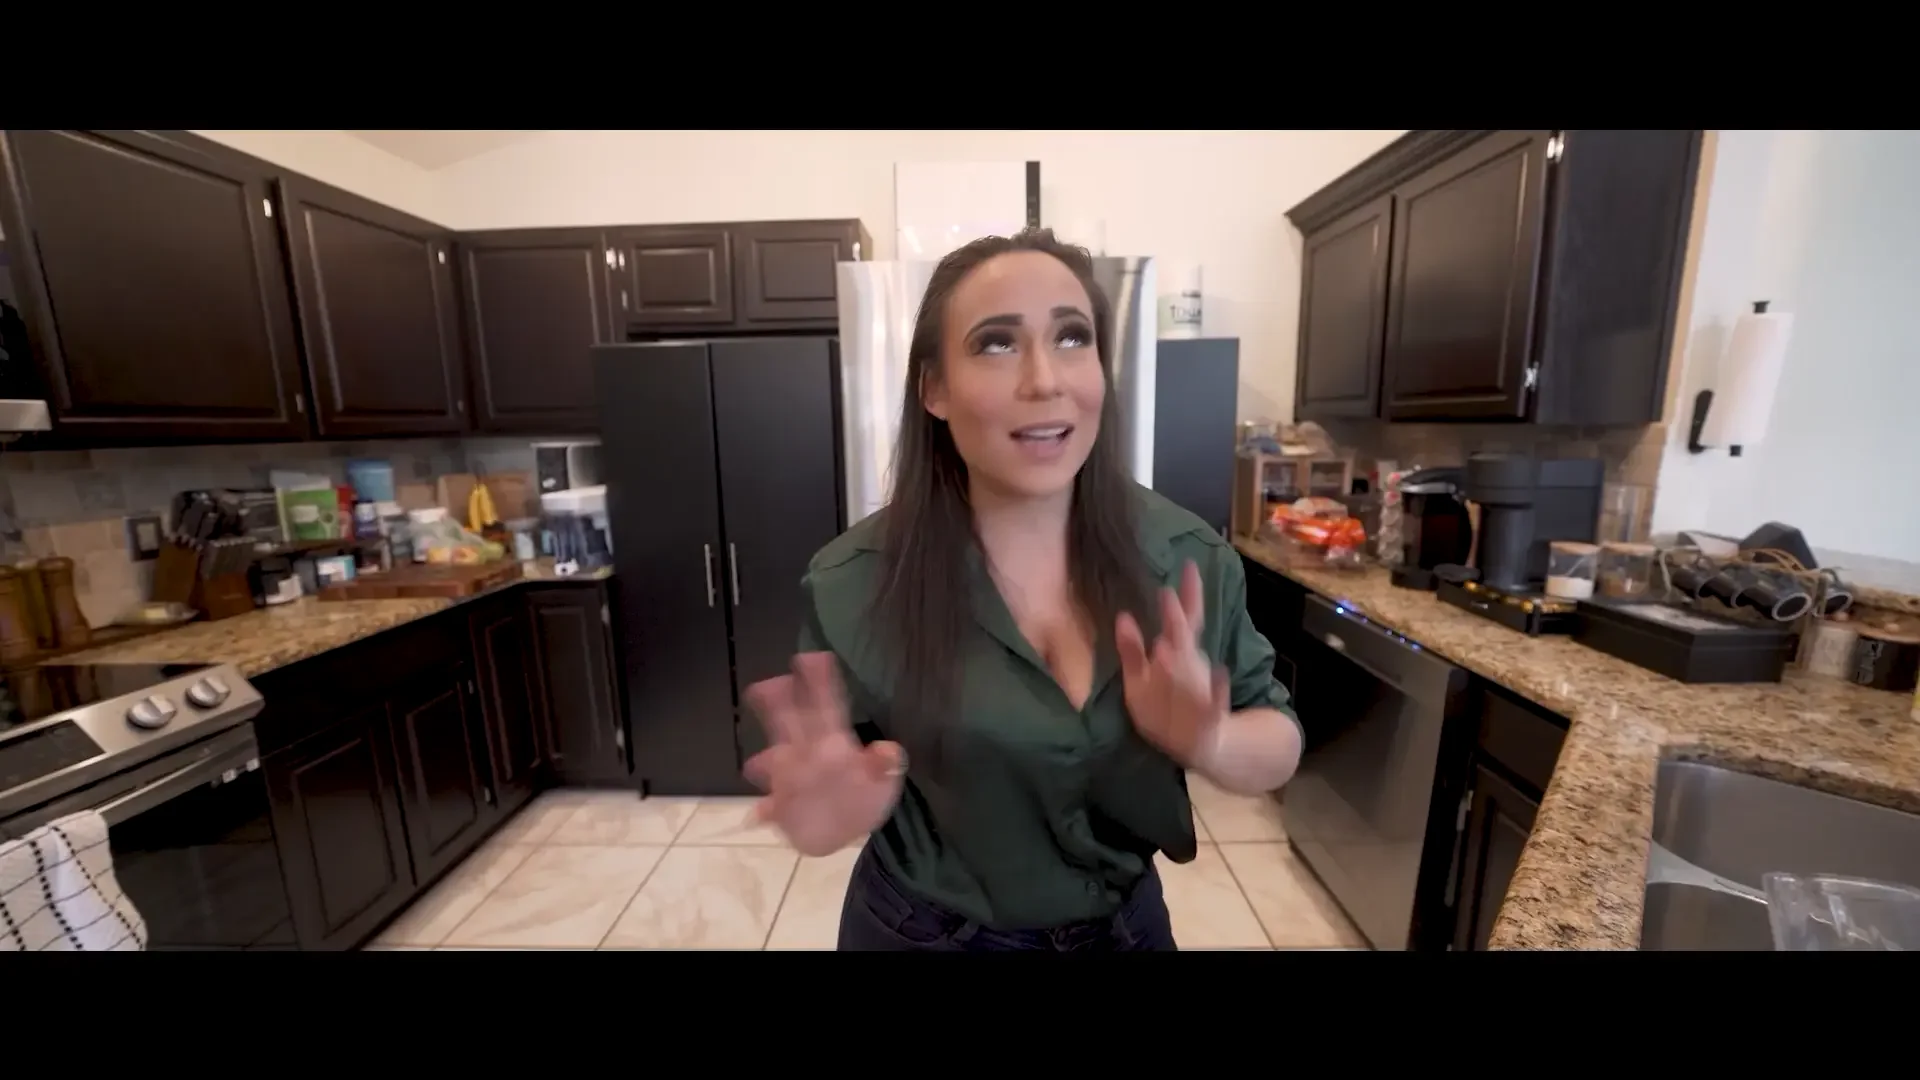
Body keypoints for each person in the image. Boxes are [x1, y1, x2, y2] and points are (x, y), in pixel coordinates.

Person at [742, 228, 1303, 952]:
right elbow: (824, 790)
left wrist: (1213, 739)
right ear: (934, 389)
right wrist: (822, 819)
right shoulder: (853, 581)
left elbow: (1278, 737)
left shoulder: (1189, 559)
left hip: (1125, 932)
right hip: (923, 933)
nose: (1044, 380)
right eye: (996, 343)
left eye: (1072, 337)